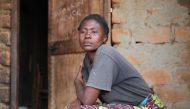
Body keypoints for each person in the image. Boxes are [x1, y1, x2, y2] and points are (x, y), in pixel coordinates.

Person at [66, 14, 165, 109]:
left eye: (94, 32)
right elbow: (84, 96)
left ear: (105, 38)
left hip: (148, 106)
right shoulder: (87, 61)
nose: (87, 36)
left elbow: (88, 100)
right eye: (83, 31)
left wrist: (77, 82)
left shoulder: (105, 53)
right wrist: (76, 103)